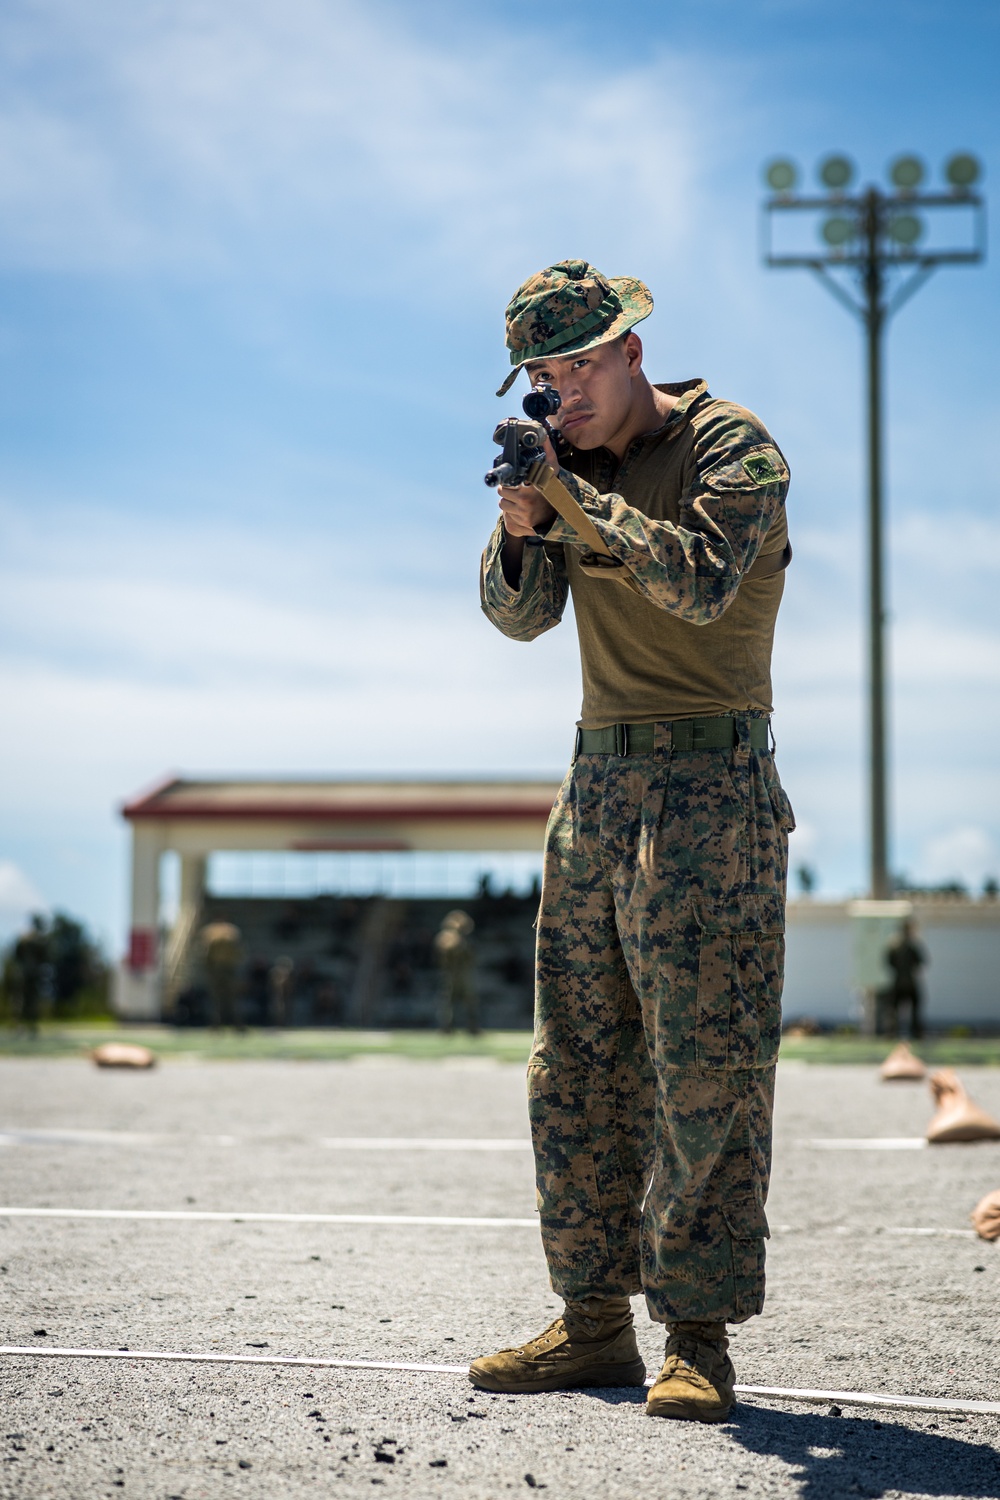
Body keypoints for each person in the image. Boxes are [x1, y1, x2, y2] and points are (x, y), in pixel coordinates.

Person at [472, 260, 794, 1423]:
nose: (563, 393)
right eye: (543, 376)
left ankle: (696, 1337)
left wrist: (568, 500)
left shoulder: (729, 446)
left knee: (704, 1072)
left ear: (630, 353)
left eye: (578, 367)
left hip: (711, 788)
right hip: (597, 784)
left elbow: (700, 585)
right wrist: (519, 526)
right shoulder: (567, 466)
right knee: (577, 1071)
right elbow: (518, 620)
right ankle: (593, 1323)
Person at [434, 909, 479, 1035]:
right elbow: (444, 952)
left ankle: (472, 1027)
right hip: (450, 974)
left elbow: (471, 956)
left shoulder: (466, 939)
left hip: (464, 973)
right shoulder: (446, 937)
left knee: (470, 1002)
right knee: (448, 1002)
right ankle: (446, 1028)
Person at [884, 919, 926, 1040]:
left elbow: (888, 961)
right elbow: (921, 962)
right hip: (908, 982)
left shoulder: (894, 945)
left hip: (899, 981)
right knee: (899, 1009)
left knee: (894, 1009)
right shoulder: (911, 945)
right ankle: (914, 1032)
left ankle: (892, 1032)